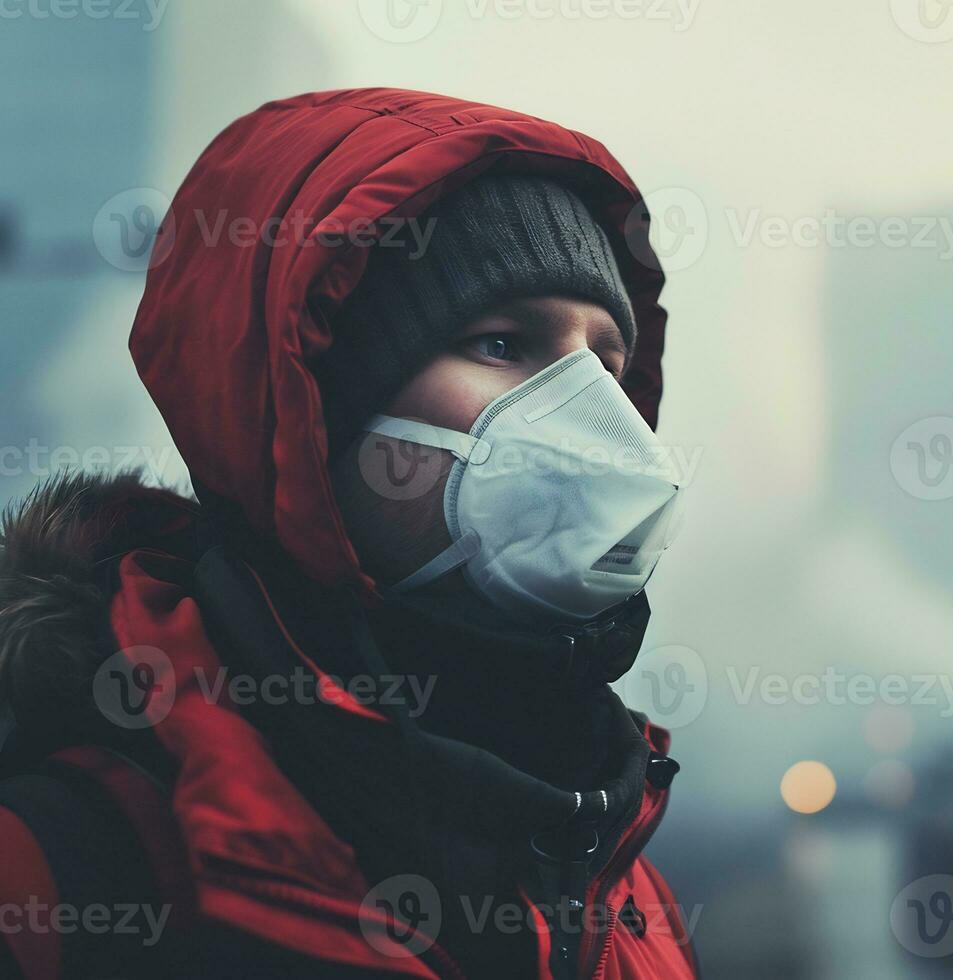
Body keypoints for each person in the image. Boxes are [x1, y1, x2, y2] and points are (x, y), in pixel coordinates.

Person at [0, 87, 697, 979]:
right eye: (500, 344)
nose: (595, 417)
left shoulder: (629, 895)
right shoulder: (69, 874)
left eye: (604, 362)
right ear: (311, 411)